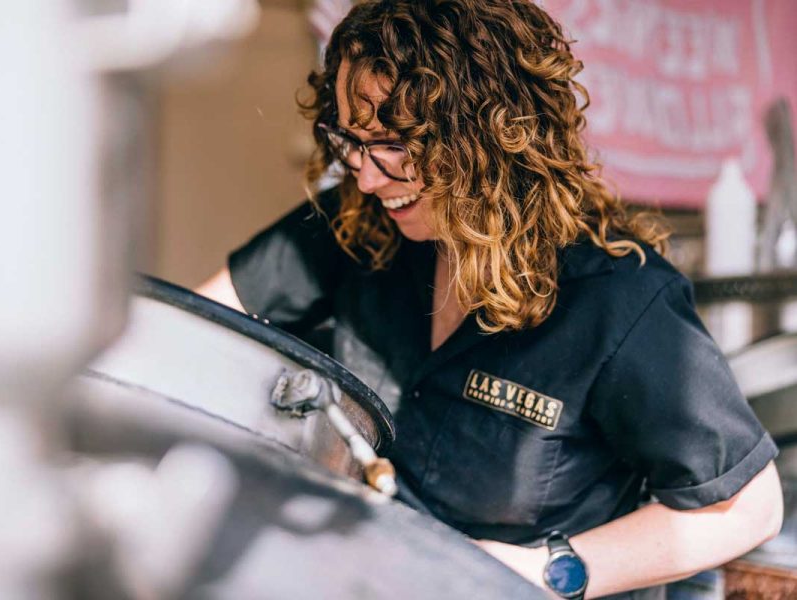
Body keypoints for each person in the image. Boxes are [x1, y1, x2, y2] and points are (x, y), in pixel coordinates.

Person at [196, 1, 783, 598]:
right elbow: (193, 335)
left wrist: (551, 570)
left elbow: (749, 508)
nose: (367, 177)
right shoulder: (359, 221)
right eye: (350, 137)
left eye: (394, 145)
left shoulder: (619, 301)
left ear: (489, 141)